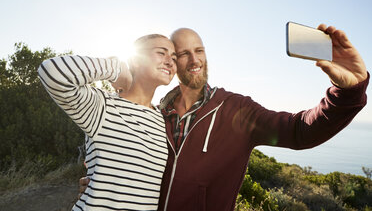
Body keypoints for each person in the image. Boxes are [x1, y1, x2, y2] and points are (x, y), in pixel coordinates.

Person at [80, 24, 369, 211]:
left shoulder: (237, 109)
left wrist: (347, 92)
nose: (195, 60)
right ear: (171, 62)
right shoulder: (157, 117)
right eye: (183, 53)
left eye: (200, 50)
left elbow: (299, 130)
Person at [38, 34, 177, 210]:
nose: (170, 62)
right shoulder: (102, 105)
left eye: (174, 58)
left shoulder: (163, 120)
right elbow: (51, 71)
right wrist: (117, 68)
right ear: (136, 60)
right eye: (161, 53)